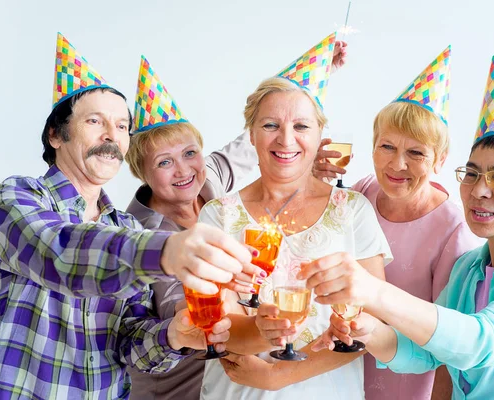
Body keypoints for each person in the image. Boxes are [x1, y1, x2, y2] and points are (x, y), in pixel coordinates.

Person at [0, 33, 260, 399]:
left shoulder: (125, 228)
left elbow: (129, 343)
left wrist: (173, 335)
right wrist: (168, 250)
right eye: (95, 121)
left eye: (122, 125)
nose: (112, 135)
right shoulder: (15, 198)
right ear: (55, 135)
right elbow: (61, 253)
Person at [302, 56, 494, 399]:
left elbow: (482, 340)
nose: (478, 191)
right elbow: (424, 352)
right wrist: (364, 328)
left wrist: (371, 290)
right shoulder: (469, 269)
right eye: (472, 174)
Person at [124, 41, 348, 400]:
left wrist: (317, 73)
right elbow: (190, 309)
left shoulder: (208, 177)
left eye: (189, 153)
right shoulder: (142, 236)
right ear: (141, 171)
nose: (183, 170)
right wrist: (236, 291)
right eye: (164, 162)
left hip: (239, 378)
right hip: (179, 389)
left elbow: (263, 136)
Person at [198, 32, 392, 400]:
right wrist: (260, 328)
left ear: (321, 135)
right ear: (251, 135)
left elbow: (374, 325)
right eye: (270, 125)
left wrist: (280, 376)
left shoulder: (353, 211)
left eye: (301, 126)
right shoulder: (217, 217)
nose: (286, 140)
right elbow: (215, 326)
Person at [313, 45, 479, 399]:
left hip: (405, 382)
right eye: (387, 147)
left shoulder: (453, 230)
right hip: (339, 372)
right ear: (372, 147)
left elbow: (447, 343)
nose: (397, 165)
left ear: (440, 159)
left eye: (416, 152)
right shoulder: (361, 193)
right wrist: (310, 177)